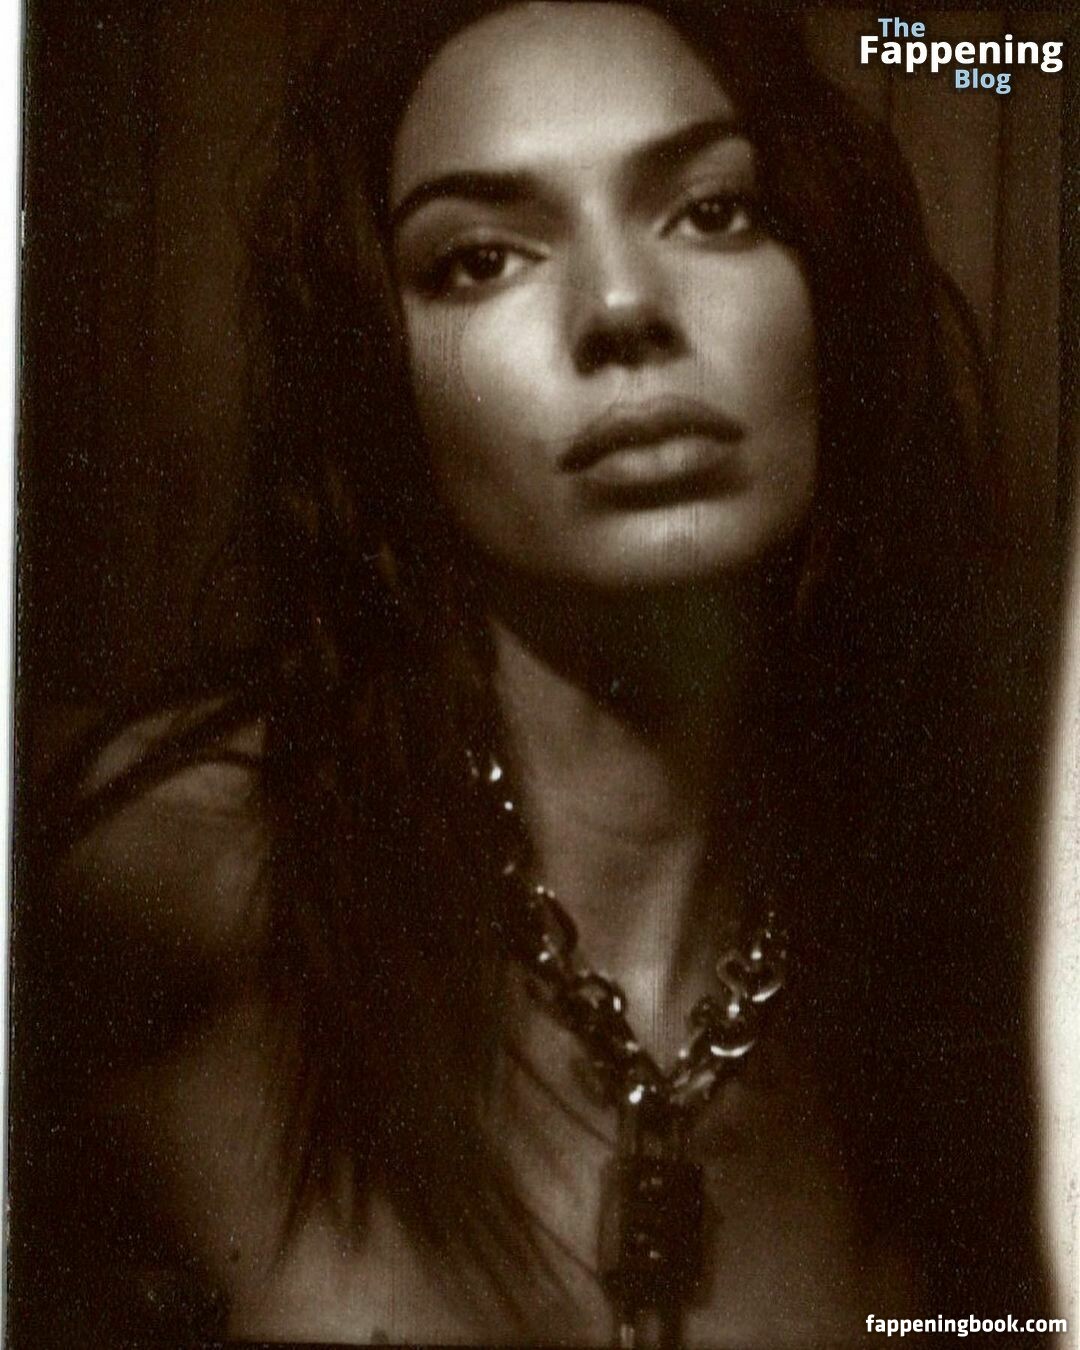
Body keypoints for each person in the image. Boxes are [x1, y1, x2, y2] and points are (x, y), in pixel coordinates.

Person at [13, 2, 1051, 1346]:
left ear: (829, 296)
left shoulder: (988, 968)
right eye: (480, 258)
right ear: (380, 384)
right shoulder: (174, 880)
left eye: (714, 212)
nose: (622, 309)